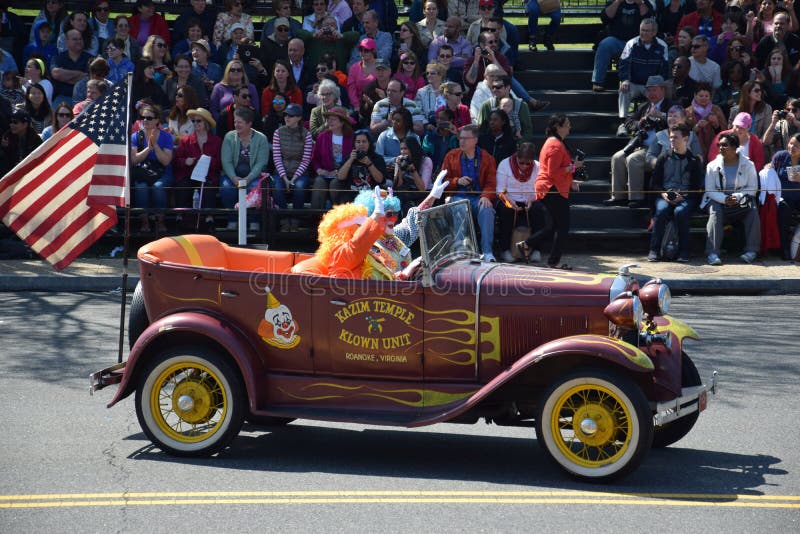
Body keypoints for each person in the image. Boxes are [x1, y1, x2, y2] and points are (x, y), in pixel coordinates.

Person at [516, 114, 582, 269]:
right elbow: (552, 172)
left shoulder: (557, 143)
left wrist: (571, 180)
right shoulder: (554, 145)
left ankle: (526, 244)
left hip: (553, 188)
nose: (569, 126)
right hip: (552, 189)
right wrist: (573, 167)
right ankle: (553, 261)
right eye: (567, 124)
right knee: (562, 227)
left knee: (552, 226)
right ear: (558, 127)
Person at [606, 75, 672, 207]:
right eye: (649, 90)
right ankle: (618, 195)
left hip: (658, 149)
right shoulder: (644, 106)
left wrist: (662, 117)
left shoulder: (671, 106)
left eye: (654, 90)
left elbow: (677, 121)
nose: (651, 93)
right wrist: (639, 123)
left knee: (633, 159)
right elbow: (629, 122)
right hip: (641, 145)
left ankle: (636, 197)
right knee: (617, 157)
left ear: (663, 90)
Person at [647, 123, 704, 263]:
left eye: (675, 138)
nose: (672, 140)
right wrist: (663, 194)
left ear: (685, 139)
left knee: (681, 212)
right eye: (671, 137)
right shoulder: (663, 158)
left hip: (686, 198)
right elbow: (654, 184)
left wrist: (683, 196)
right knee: (661, 210)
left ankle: (684, 251)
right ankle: (654, 250)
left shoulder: (694, 160)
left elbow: (697, 188)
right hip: (665, 195)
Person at [701, 131, 761, 265]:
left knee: (752, 209)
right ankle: (712, 253)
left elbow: (752, 188)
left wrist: (737, 197)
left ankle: (751, 251)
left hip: (740, 200)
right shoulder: (711, 166)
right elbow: (710, 190)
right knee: (715, 212)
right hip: (718, 200)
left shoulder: (749, 165)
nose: (721, 148)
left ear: (734, 147)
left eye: (725, 145)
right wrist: (724, 199)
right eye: (719, 145)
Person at [440, 123, 497, 262]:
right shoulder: (451, 156)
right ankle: (460, 252)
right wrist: (457, 181)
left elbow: (491, 183)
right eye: (461, 138)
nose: (462, 141)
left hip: (478, 197)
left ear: (475, 140)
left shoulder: (487, 158)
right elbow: (442, 181)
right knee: (460, 207)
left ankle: (487, 252)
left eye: (466, 138)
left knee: (487, 209)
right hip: (458, 196)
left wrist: (486, 196)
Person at [219, 106, 269, 231]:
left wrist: (248, 178)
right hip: (232, 175)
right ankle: (232, 219)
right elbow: (226, 161)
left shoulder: (261, 138)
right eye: (235, 122)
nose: (236, 124)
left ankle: (253, 221)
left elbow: (261, 163)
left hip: (253, 175)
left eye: (240, 122)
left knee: (253, 188)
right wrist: (234, 178)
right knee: (226, 188)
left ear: (249, 123)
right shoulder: (229, 137)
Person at [173, 107, 221, 231]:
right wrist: (185, 161)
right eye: (193, 121)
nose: (195, 124)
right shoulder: (185, 140)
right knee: (183, 185)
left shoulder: (216, 141)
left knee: (209, 187)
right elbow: (176, 161)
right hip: (188, 174)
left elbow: (220, 162)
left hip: (208, 176)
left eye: (198, 121)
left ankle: (209, 219)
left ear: (206, 123)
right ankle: (180, 218)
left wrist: (207, 161)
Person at [495, 142, 545, 263]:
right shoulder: (505, 164)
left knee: (539, 209)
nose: (524, 166)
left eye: (528, 164)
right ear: (517, 157)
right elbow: (500, 191)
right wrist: (510, 202)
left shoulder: (538, 166)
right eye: (521, 162)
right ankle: (505, 249)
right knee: (506, 210)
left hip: (530, 200)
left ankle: (536, 249)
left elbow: (542, 189)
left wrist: (533, 198)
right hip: (508, 199)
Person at [592, 0, 654, 92]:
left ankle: (643, 83)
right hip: (617, 41)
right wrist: (617, 2)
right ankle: (598, 81)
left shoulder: (644, 3)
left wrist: (640, 3)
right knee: (605, 45)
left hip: (637, 42)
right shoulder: (614, 2)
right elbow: (605, 17)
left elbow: (648, 17)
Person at [130, 102, 173, 234]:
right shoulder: (136, 136)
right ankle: (145, 222)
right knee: (141, 187)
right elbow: (134, 160)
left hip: (162, 171)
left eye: (149, 118)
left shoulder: (166, 137)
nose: (145, 120)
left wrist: (156, 146)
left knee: (158, 187)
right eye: (143, 117)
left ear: (157, 120)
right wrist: (148, 149)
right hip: (143, 171)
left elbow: (166, 161)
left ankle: (160, 221)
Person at [617, 19, 670, 121]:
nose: (643, 33)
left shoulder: (662, 46)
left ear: (654, 32)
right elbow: (624, 64)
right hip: (634, 83)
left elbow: (664, 68)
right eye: (642, 30)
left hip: (651, 85)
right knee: (623, 91)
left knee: (659, 92)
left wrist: (656, 84)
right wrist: (625, 80)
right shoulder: (631, 43)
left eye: (647, 31)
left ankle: (653, 121)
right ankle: (622, 121)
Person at [271, 103, 313, 229]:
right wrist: (285, 178)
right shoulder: (278, 133)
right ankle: (283, 218)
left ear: (299, 118)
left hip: (299, 172)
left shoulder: (307, 135)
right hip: (281, 170)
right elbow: (277, 157)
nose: (287, 118)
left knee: (299, 187)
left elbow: (305, 160)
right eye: (286, 115)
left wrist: (293, 179)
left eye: (291, 115)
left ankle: (296, 218)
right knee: (277, 187)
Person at [310, 106, 354, 209]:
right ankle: (316, 218)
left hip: (343, 176)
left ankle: (337, 218)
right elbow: (315, 158)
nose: (329, 122)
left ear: (342, 122)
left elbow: (353, 159)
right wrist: (319, 170)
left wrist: (340, 172)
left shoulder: (351, 137)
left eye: (333, 119)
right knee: (319, 183)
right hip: (325, 173)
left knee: (335, 184)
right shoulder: (322, 136)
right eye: (328, 119)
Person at [767, 132, 800, 259]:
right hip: (783, 197)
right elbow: (770, 168)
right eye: (791, 143)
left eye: (796, 145)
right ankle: (784, 248)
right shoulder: (780, 156)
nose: (792, 147)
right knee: (783, 211)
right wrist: (768, 167)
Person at [332, 128, 387, 204]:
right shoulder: (349, 157)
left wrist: (369, 164)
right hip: (351, 195)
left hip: (371, 195)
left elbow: (380, 180)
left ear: (369, 143)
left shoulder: (377, 158)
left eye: (364, 141)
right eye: (358, 142)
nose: (361, 144)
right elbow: (340, 177)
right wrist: (351, 160)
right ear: (354, 144)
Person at [50, 29, 93, 106]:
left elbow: (90, 78)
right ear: (67, 42)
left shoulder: (90, 59)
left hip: (85, 98)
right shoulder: (59, 58)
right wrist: (80, 75)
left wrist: (65, 76)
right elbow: (56, 74)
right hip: (63, 97)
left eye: (80, 39)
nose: (78, 41)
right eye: (75, 39)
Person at [685, 81, 727, 159]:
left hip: (715, 148)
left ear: (710, 97)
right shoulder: (687, 112)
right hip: (695, 149)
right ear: (695, 95)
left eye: (706, 96)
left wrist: (716, 123)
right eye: (701, 96)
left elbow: (724, 133)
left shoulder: (717, 110)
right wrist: (696, 128)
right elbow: (684, 134)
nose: (704, 98)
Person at [392, 136, 433, 213]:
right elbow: (398, 184)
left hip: (424, 193)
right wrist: (397, 166)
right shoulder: (402, 160)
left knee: (406, 201)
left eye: (405, 149)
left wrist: (413, 170)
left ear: (412, 149)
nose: (403, 152)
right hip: (409, 191)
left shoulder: (426, 161)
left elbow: (422, 189)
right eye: (401, 149)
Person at [375, 107, 421, 172]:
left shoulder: (415, 137)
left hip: (410, 173)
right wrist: (394, 160)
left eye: (398, 120)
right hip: (388, 173)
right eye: (393, 119)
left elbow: (418, 158)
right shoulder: (384, 136)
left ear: (406, 122)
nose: (394, 122)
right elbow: (378, 158)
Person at [347, 38, 378, 107]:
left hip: (378, 104)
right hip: (358, 106)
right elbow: (351, 90)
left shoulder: (381, 66)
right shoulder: (354, 68)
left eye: (366, 50)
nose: (363, 53)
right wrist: (357, 105)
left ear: (373, 51)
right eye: (361, 50)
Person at [416, 61, 446, 126]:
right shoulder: (421, 92)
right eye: (427, 73)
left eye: (432, 73)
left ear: (441, 75)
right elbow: (418, 112)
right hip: (429, 126)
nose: (429, 75)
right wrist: (426, 124)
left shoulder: (450, 89)